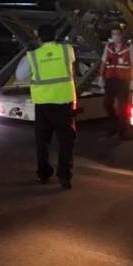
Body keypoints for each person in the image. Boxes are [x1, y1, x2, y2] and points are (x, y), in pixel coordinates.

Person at [14, 23, 77, 189]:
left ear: (39, 38)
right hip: (64, 103)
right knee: (66, 142)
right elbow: (71, 57)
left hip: (43, 106)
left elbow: (19, 76)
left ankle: (43, 174)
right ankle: (64, 176)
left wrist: (30, 53)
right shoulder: (67, 50)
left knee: (43, 143)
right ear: (55, 36)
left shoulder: (33, 56)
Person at [98, 27, 133, 137]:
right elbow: (103, 62)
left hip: (123, 81)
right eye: (113, 34)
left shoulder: (128, 47)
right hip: (110, 79)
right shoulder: (108, 47)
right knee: (107, 104)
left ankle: (122, 130)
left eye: (117, 34)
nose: (115, 36)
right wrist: (100, 76)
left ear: (121, 35)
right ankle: (113, 123)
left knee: (122, 107)